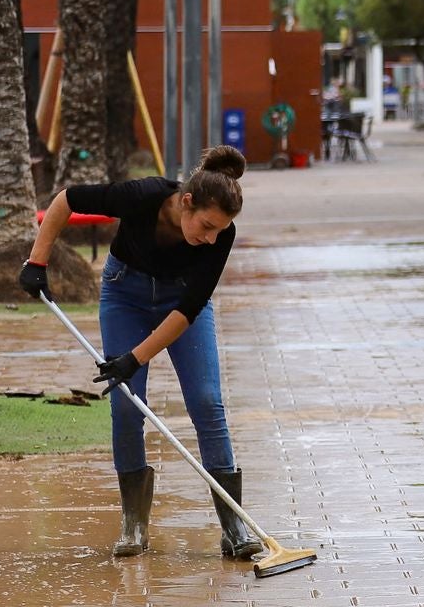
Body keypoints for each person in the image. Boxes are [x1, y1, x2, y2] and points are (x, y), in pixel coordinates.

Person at [18, 146, 261, 561]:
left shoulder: (222, 236)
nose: (210, 238)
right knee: (128, 406)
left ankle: (233, 523)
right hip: (124, 293)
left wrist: (135, 358)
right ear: (186, 201)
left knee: (206, 401)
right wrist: (37, 261)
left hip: (182, 303)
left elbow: (187, 311)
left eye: (219, 231)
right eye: (206, 226)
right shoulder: (142, 195)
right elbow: (67, 199)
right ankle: (134, 523)